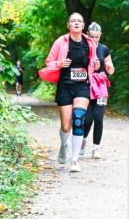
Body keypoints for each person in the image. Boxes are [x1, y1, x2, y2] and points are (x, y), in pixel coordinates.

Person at [39, 13, 99, 173]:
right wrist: (59, 63)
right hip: (65, 85)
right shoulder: (61, 42)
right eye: (73, 21)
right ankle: (63, 145)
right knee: (66, 126)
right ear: (68, 25)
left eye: (79, 20)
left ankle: (74, 161)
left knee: (78, 119)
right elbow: (49, 62)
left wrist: (96, 64)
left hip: (82, 86)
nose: (76, 23)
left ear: (84, 24)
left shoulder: (89, 42)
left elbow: (94, 63)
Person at [82, 22, 115, 159]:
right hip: (87, 85)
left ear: (100, 36)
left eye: (97, 37)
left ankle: (96, 149)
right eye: (92, 37)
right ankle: (82, 142)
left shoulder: (104, 49)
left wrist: (106, 66)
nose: (94, 40)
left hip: (101, 86)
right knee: (88, 119)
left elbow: (111, 70)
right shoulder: (83, 47)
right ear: (87, 35)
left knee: (98, 118)